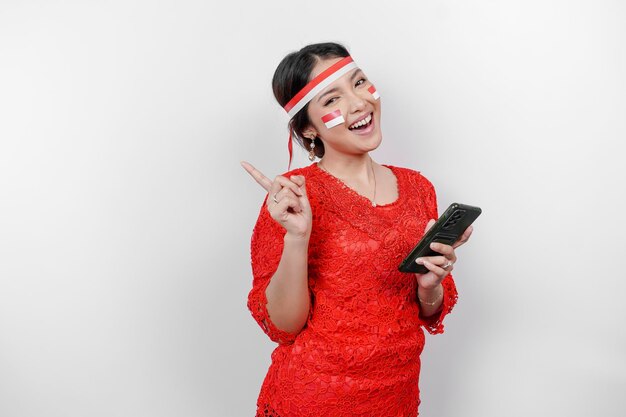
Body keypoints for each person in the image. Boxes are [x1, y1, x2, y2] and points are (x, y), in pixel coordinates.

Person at [240, 42, 473, 417]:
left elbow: (428, 312)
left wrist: (429, 286)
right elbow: (283, 326)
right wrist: (297, 237)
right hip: (314, 400)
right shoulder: (291, 197)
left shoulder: (418, 188)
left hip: (397, 398)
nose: (359, 103)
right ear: (308, 128)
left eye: (359, 82)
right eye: (332, 100)